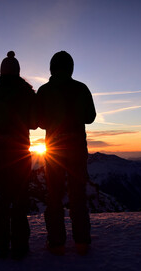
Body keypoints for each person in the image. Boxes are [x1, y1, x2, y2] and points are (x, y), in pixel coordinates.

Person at [36, 51, 96, 255]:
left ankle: (57, 243)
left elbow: (39, 122)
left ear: (52, 68)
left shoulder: (44, 91)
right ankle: (82, 242)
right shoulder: (81, 88)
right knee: (77, 194)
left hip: (54, 151)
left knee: (54, 195)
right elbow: (90, 117)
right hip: (77, 149)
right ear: (71, 68)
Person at [0, 51, 36, 259]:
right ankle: (20, 245)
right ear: (17, 70)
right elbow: (34, 123)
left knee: (3, 198)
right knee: (21, 198)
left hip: (0, 149)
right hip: (21, 150)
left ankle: (1, 245)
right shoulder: (26, 91)